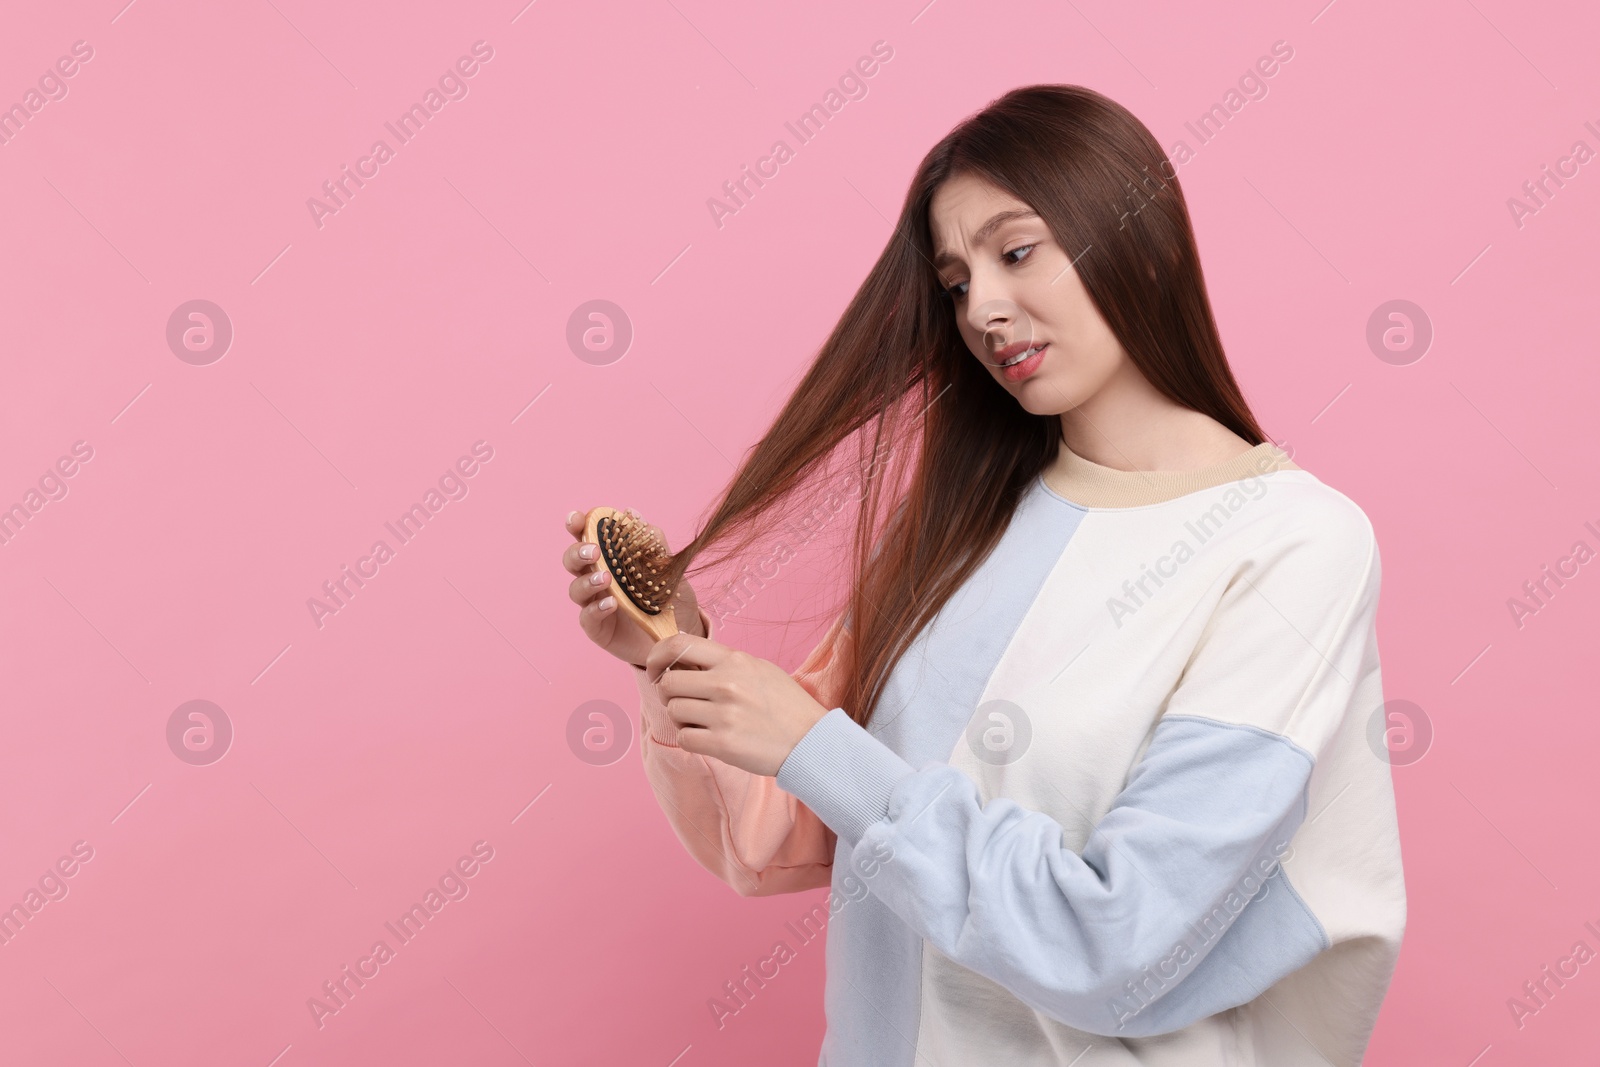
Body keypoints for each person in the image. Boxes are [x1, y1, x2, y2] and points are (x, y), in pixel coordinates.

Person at [560, 83, 1404, 1067]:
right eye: (957, 281)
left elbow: (1118, 943)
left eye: (1016, 251)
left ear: (1151, 241)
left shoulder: (1293, 544)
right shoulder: (963, 523)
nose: (986, 309)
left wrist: (815, 744)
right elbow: (775, 833)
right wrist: (674, 650)